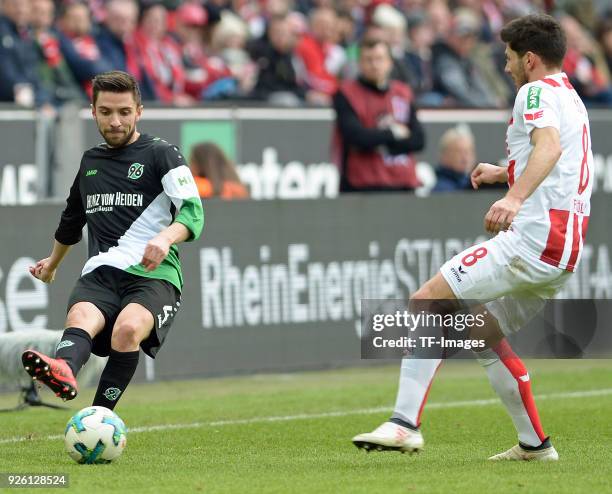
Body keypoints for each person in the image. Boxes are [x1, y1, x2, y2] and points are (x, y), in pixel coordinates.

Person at [352, 14, 593, 460]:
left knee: (427, 300)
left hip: (533, 239)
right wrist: (506, 172)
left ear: (531, 59)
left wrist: (514, 197)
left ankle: (404, 423)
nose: (506, 67)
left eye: (508, 59)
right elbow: (561, 160)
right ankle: (534, 445)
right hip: (565, 249)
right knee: (479, 330)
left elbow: (550, 149)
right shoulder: (570, 96)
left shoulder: (534, 91)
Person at [21, 71, 204, 411]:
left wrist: (165, 237)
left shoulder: (164, 154)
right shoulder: (90, 161)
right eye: (106, 112)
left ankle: (100, 416)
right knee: (80, 318)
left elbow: (193, 213)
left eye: (124, 112)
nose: (115, 121)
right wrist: (53, 263)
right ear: (93, 112)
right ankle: (63, 369)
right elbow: (71, 221)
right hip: (102, 273)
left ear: (139, 111)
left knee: (128, 328)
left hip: (154, 275)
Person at [333, 38, 425, 193]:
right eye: (368, 60)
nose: (374, 65)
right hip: (363, 186)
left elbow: (418, 140)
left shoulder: (403, 93)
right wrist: (393, 133)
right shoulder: (346, 94)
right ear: (360, 63)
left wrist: (376, 138)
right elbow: (356, 137)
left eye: (379, 59)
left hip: (403, 183)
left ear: (389, 62)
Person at [431, 125, 476, 192]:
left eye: (468, 151)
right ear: (445, 155)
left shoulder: (472, 183)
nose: (465, 157)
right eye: (459, 152)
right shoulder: (441, 189)